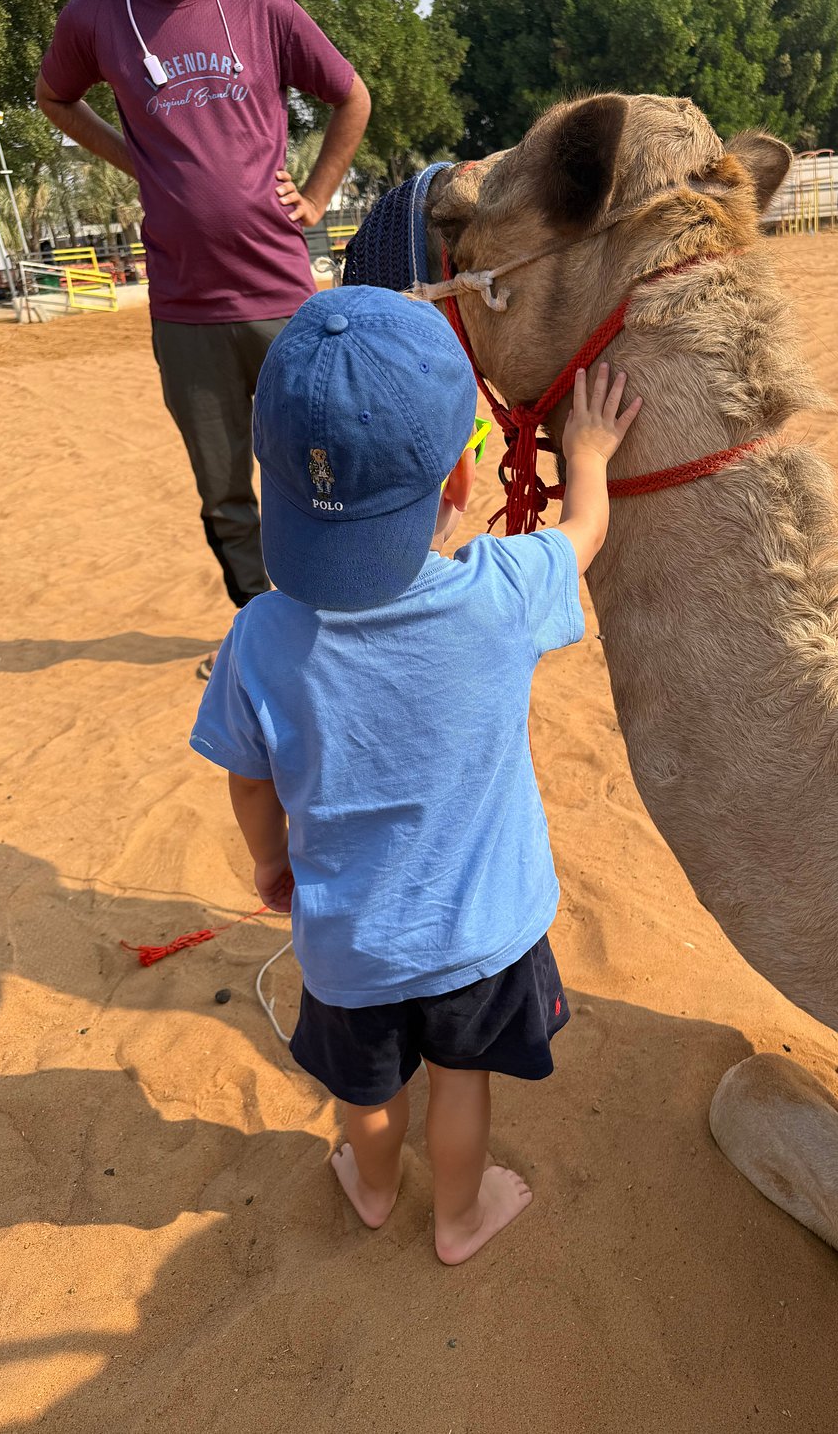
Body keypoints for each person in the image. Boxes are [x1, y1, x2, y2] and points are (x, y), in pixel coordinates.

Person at [188, 286, 641, 1263]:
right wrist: (589, 453)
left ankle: (375, 1186)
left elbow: (249, 782)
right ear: (455, 478)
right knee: (460, 1084)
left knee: (367, 1092)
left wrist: (271, 864)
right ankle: (458, 1215)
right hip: (480, 938)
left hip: (348, 951)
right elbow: (584, 535)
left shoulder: (260, 634)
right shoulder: (504, 593)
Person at [37, 0, 371, 672]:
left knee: (321, 466)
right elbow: (54, 97)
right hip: (186, 309)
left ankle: (337, 618)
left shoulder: (264, 8)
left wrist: (316, 195)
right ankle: (260, 627)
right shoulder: (95, 19)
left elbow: (351, 96)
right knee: (222, 488)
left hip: (282, 296)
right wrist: (139, 161)